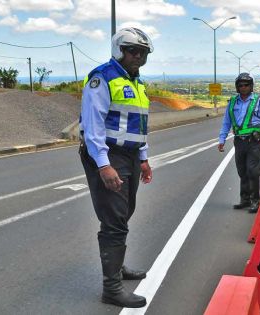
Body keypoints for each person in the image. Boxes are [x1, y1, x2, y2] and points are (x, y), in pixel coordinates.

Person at [78, 27, 154, 308]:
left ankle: (117, 268)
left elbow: (140, 125)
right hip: (109, 155)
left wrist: (143, 158)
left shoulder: (137, 83)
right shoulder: (103, 78)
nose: (138, 56)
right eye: (133, 51)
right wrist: (103, 165)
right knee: (114, 219)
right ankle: (111, 288)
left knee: (124, 212)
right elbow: (94, 127)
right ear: (119, 50)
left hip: (130, 156)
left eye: (143, 53)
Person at [218, 72, 260, 213]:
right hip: (239, 142)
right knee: (242, 171)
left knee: (253, 172)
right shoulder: (232, 103)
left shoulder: (258, 101)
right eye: (240, 85)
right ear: (237, 87)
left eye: (246, 85)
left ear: (251, 86)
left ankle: (255, 201)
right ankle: (245, 199)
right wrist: (222, 139)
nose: (243, 87)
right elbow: (226, 122)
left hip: (254, 142)